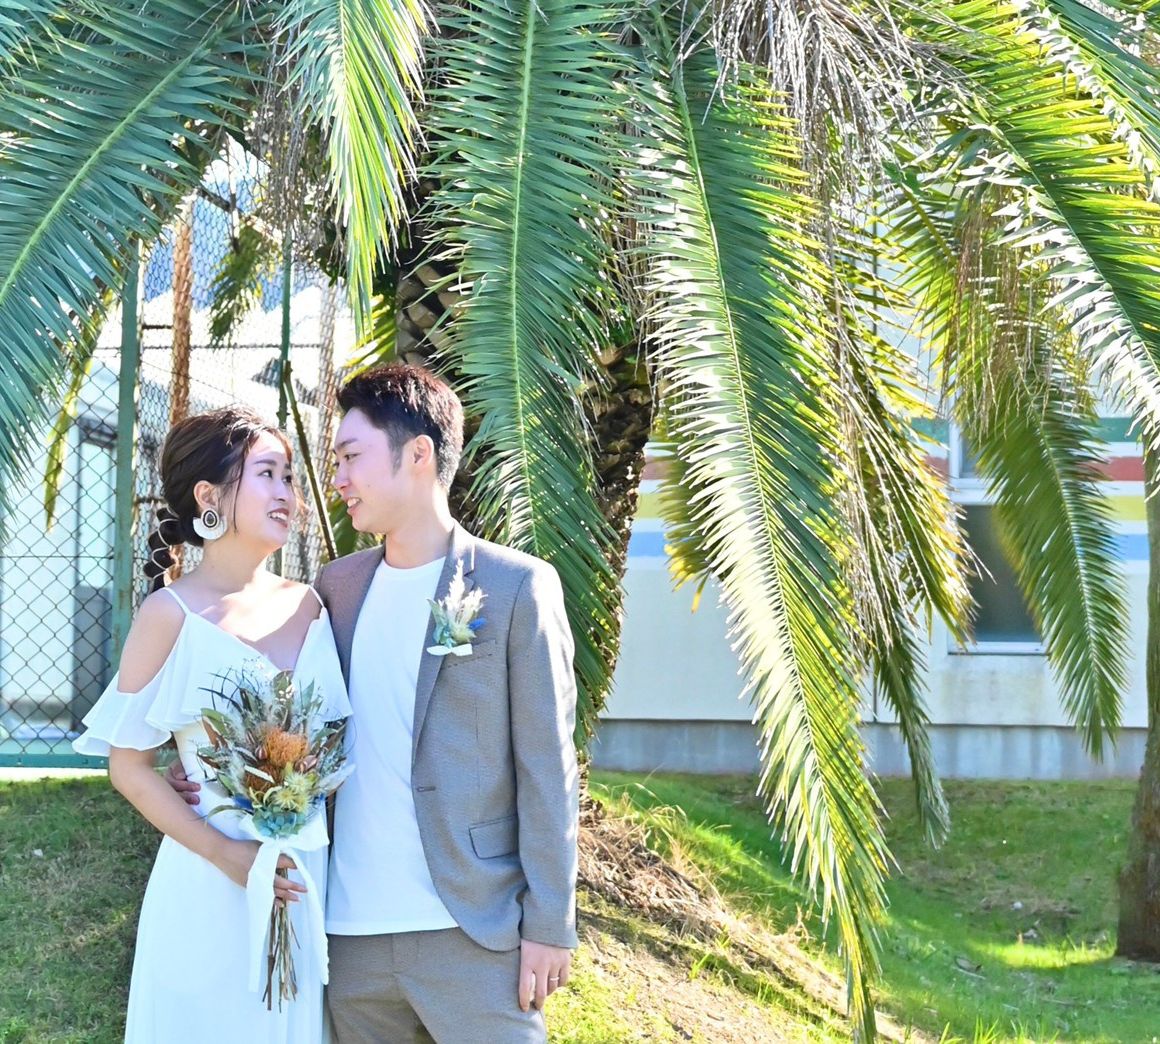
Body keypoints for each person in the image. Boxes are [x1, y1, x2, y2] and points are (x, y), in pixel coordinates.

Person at [171, 365, 580, 1042]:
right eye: (335, 462)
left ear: (418, 455)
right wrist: (201, 768)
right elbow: (286, 712)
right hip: (349, 937)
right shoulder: (336, 589)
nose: (337, 479)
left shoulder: (515, 587)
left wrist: (550, 924)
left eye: (351, 457)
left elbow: (548, 767)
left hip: (474, 934)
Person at [74, 406, 351, 1044]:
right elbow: (128, 767)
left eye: (289, 478)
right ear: (209, 496)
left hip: (302, 878)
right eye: (268, 474)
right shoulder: (169, 614)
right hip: (207, 881)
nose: (287, 494)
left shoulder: (312, 604)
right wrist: (226, 854)